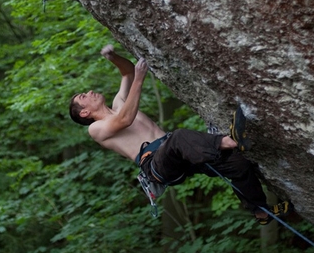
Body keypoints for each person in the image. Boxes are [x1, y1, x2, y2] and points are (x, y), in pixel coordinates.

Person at [69, 45, 289, 225]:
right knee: (178, 137)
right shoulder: (95, 129)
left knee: (237, 164)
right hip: (156, 164)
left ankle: (260, 212)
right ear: (85, 112)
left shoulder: (119, 104)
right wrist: (140, 79)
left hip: (178, 154)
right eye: (83, 96)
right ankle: (228, 140)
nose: (89, 92)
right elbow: (125, 119)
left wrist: (114, 57)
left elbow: (127, 72)